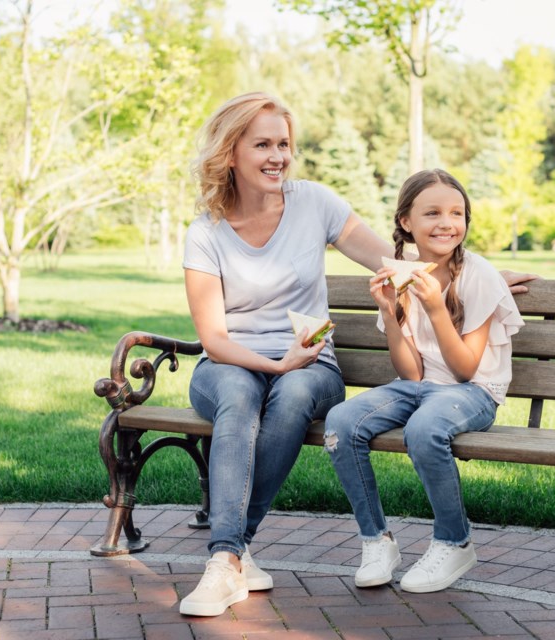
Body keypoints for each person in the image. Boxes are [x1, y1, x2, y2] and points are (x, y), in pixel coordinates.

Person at [178, 92, 534, 617]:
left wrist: (470, 273)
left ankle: (229, 553)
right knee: (236, 395)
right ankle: (229, 557)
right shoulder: (205, 233)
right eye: (262, 145)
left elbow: (392, 259)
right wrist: (276, 364)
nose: (278, 156)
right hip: (232, 362)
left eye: (284, 144)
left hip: (311, 366)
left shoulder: (314, 203)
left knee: (297, 394)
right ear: (231, 152)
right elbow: (214, 339)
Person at [323, 168, 524, 594]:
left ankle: (455, 541)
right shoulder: (404, 274)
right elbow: (410, 373)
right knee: (341, 422)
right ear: (405, 222)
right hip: (418, 388)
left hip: (472, 393)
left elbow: (466, 368)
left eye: (457, 213)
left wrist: (434, 308)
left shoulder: (479, 275)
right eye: (432, 213)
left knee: (425, 428)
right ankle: (376, 541)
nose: (447, 222)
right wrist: (392, 312)